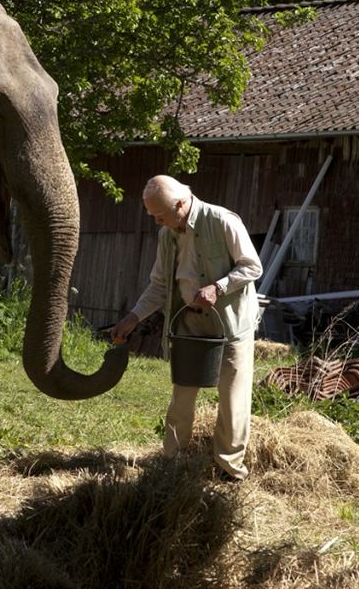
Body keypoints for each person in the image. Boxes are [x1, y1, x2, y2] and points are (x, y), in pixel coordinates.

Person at [111, 175, 262, 481]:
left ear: (181, 204)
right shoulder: (168, 234)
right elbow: (159, 286)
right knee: (182, 398)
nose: (157, 222)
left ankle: (230, 471)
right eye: (154, 217)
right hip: (189, 325)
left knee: (233, 402)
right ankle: (172, 462)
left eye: (161, 216)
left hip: (231, 325)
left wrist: (218, 288)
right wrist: (133, 318)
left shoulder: (222, 221)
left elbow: (252, 266)